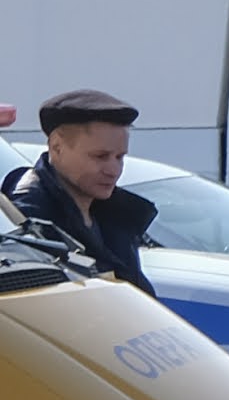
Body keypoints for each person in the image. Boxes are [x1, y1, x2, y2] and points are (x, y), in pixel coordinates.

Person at [3, 88, 153, 285]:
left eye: (120, 157)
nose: (114, 170)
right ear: (57, 147)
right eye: (100, 156)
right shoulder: (26, 220)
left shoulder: (116, 213)